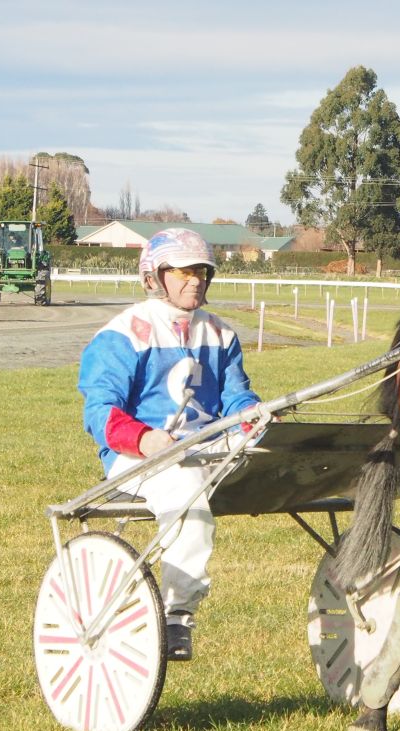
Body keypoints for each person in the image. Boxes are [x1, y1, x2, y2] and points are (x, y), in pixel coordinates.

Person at [78, 228, 261, 661]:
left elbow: (236, 397)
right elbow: (99, 411)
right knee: (186, 490)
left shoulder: (220, 335)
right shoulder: (122, 334)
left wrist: (253, 418)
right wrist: (144, 439)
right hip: (138, 461)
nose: (194, 280)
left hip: (207, 453)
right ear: (154, 275)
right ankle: (177, 614)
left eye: (200, 271)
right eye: (181, 271)